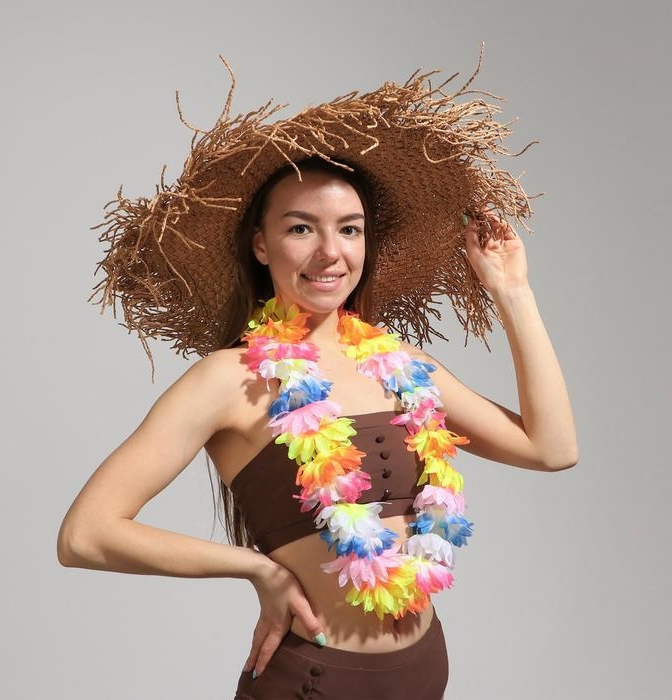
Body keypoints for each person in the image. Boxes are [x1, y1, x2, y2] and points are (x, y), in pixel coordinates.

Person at [57, 58, 578, 699]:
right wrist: (257, 570)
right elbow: (85, 534)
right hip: (313, 682)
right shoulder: (227, 380)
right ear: (261, 245)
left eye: (349, 230)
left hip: (423, 674)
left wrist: (513, 291)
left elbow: (552, 448)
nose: (331, 252)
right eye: (301, 228)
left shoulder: (402, 367)